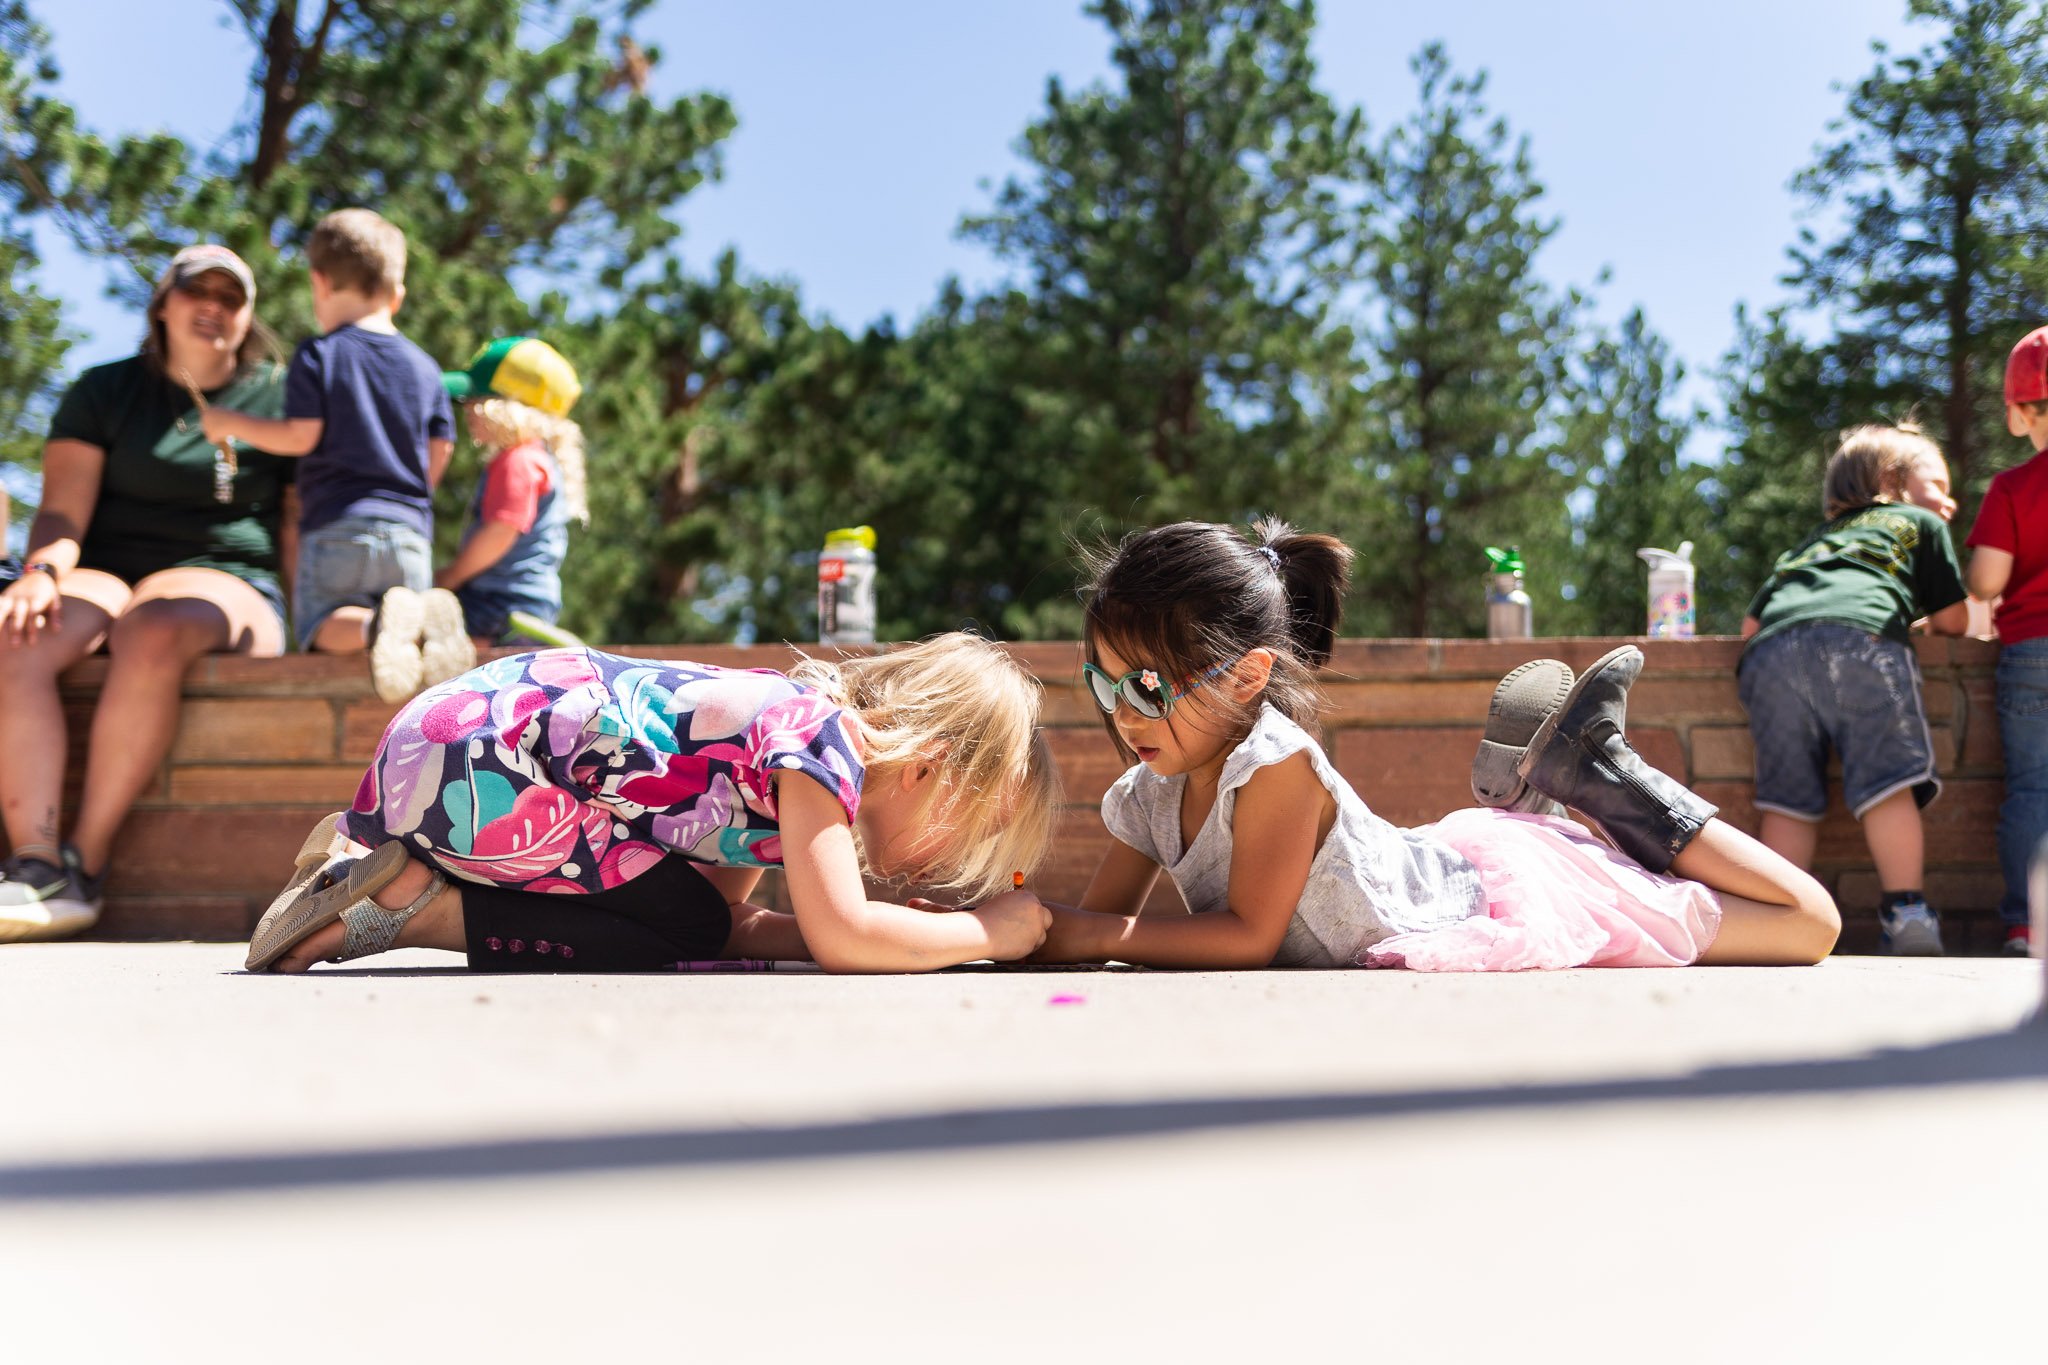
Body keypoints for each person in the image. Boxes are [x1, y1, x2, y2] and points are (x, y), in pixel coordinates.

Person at [1027, 520, 1841, 971]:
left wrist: (1070, 929)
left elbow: (1245, 936)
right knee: (1800, 925)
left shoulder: (1271, 762)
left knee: (1809, 922)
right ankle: (1556, 788)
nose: (1122, 715)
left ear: (1247, 678)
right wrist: (1002, 923)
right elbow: (1086, 925)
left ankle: (1610, 777)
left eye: (1145, 687)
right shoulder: (1149, 788)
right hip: (1441, 860)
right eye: (1103, 685)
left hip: (1496, 897)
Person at [244, 633, 1059, 974]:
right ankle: (407, 905)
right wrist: (985, 930)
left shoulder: (783, 748)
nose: (955, 863)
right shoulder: (826, 749)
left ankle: (376, 885)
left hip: (447, 752)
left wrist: (905, 932)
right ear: (930, 765)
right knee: (687, 932)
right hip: (481, 764)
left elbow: (723, 921)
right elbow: (843, 935)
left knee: (686, 928)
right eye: (973, 827)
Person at [0, 245, 296, 941]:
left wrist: (319, 619)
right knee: (16, 627)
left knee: (155, 621)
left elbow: (300, 521)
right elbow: (63, 513)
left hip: (231, 576)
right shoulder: (104, 389)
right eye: (199, 290)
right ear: (163, 303)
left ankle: (83, 868)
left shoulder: (281, 397)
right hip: (106, 571)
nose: (214, 306)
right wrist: (41, 573)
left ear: (248, 316)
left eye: (233, 296)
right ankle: (34, 862)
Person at [200, 208, 470, 702]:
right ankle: (420, 620)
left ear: (319, 282)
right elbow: (441, 446)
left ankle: (377, 626)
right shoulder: (426, 368)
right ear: (397, 294)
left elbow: (302, 436)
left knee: (323, 623)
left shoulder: (320, 354)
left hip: (338, 524)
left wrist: (230, 423)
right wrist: (414, 491)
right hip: (410, 530)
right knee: (405, 660)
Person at [1736, 425, 1969, 955]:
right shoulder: (1917, 524)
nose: (1947, 499)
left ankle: (1780, 917)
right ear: (1894, 481)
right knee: (1888, 784)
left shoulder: (1809, 545)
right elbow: (1954, 620)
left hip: (1770, 655)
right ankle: (1907, 910)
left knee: (1788, 799)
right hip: (1860, 641)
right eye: (1937, 483)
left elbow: (1750, 629)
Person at [1965, 326, 2048, 957]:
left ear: (2019, 413)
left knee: (2032, 790)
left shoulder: (2013, 488)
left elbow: (1987, 582)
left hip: (2031, 654)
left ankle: (2027, 923)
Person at [435, 336, 587, 648]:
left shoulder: (518, 460)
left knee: (424, 637)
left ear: (503, 408)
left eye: (473, 401)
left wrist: (450, 577)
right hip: (522, 603)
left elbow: (501, 531)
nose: (466, 412)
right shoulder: (535, 457)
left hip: (500, 603)